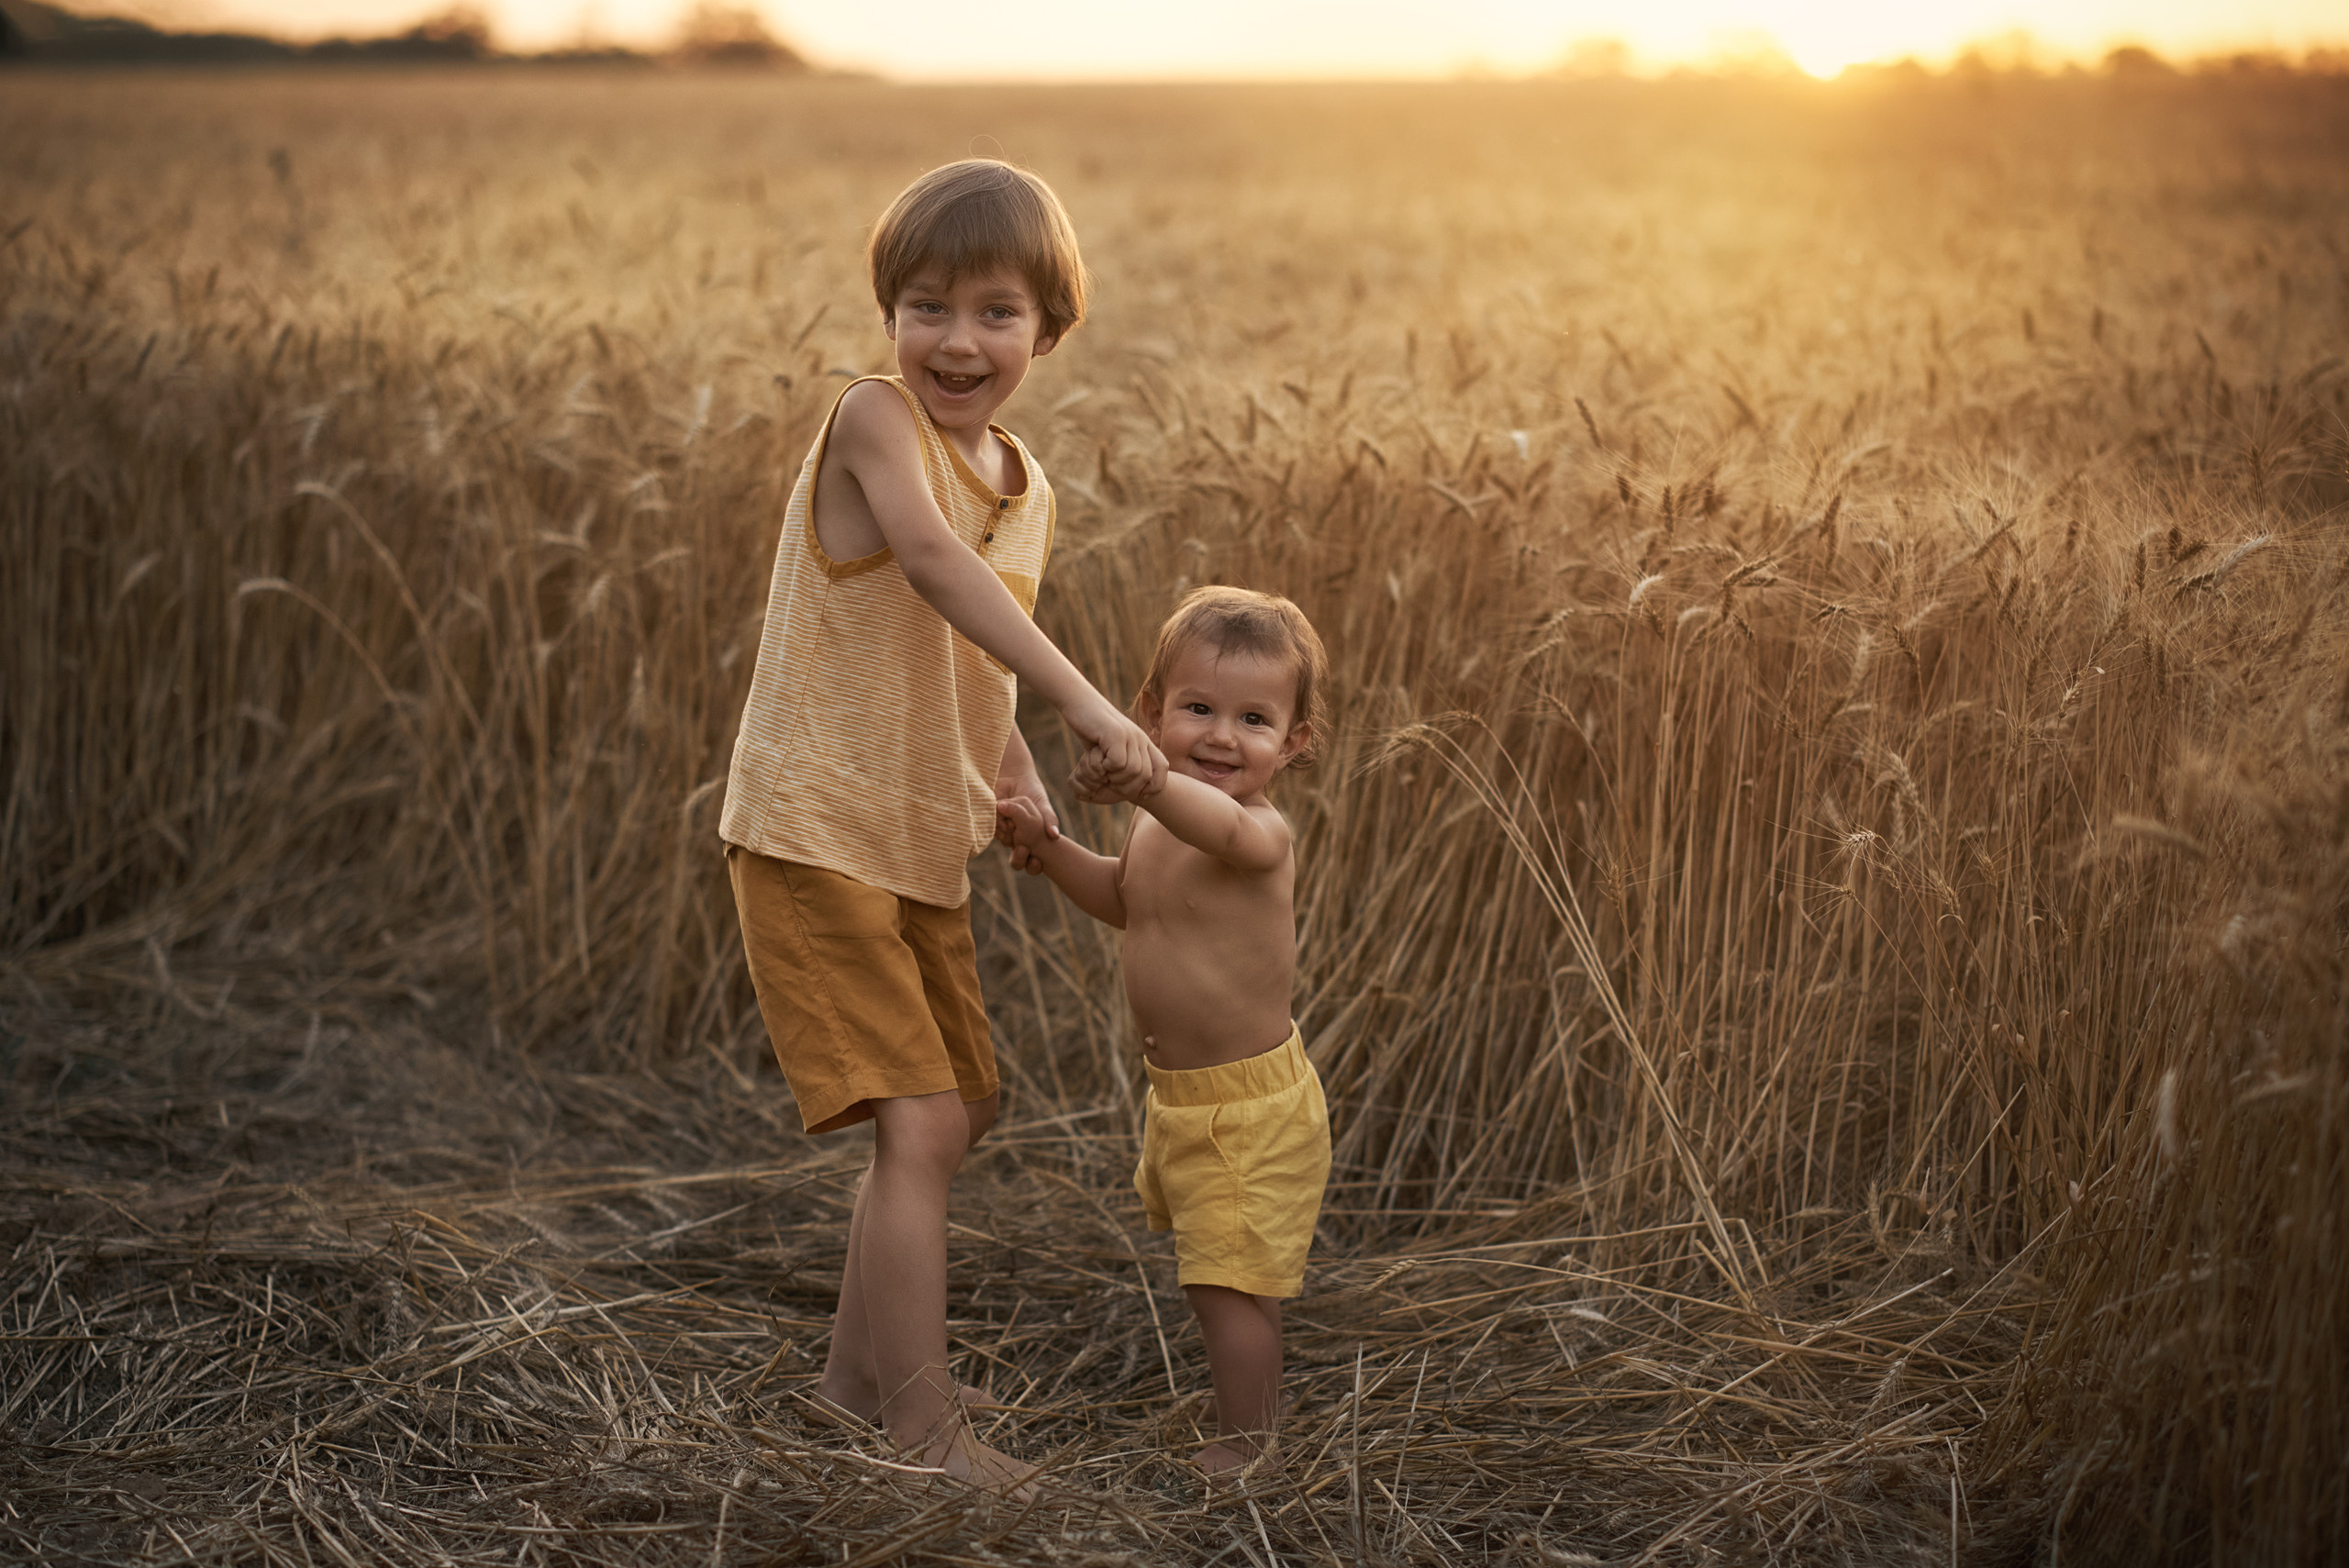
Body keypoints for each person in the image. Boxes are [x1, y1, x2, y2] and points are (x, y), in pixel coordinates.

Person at [719, 159, 1166, 1493]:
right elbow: (929, 564)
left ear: (1049, 328)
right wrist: (1085, 700)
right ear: (887, 315)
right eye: (925, 307)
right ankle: (926, 1438)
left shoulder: (1024, 482)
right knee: (915, 1125)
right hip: (814, 823)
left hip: (921, 831)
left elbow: (958, 648)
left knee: (960, 1106)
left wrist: (1014, 766)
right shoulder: (872, 422)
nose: (956, 342)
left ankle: (858, 1385)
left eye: (994, 314)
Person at [997, 586, 1333, 1481]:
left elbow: (1212, 821)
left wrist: (1150, 774)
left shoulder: (1258, 831)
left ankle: (1252, 1442)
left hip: (1249, 1108)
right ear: (1148, 711)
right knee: (1214, 1272)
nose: (1223, 735)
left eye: (1254, 718)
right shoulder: (1159, 818)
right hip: (1188, 1101)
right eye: (1197, 708)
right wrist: (1051, 846)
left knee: (1229, 1283)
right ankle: (1243, 1401)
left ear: (1294, 741)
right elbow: (1123, 898)